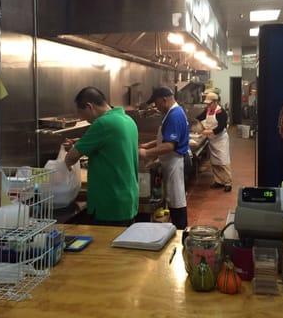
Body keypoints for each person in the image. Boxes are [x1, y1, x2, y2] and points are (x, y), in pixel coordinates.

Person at [64, 87, 139, 226]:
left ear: (89, 106)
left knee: (105, 246)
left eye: (82, 114)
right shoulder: (127, 120)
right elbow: (110, 144)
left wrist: (63, 169)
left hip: (110, 203)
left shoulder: (102, 123)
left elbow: (71, 158)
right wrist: (80, 143)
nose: (84, 119)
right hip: (128, 199)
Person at [139, 87, 189, 229]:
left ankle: (180, 231)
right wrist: (148, 145)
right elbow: (165, 138)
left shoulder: (174, 115)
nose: (156, 106)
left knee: (176, 200)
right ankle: (176, 229)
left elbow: (169, 146)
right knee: (173, 199)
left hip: (174, 162)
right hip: (170, 162)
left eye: (156, 103)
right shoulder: (173, 112)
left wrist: (146, 153)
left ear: (164, 100)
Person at [197, 92, 232, 192]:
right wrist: (194, 123)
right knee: (215, 162)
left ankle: (228, 182)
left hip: (221, 140)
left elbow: (221, 127)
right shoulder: (208, 110)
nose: (208, 106)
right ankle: (218, 181)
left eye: (209, 104)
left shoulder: (221, 112)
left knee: (223, 162)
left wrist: (208, 131)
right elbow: (199, 118)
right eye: (207, 104)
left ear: (215, 102)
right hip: (212, 140)